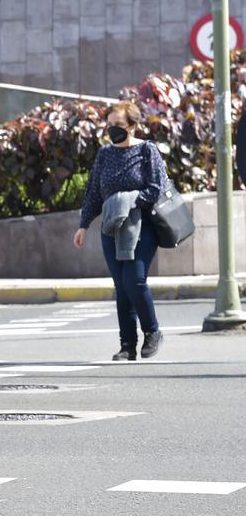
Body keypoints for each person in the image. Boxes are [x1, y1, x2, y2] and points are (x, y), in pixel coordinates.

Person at [74, 102, 168, 361]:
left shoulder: (147, 151)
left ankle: (153, 331)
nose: (113, 130)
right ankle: (127, 345)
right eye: (110, 125)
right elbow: (94, 191)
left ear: (133, 126)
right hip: (111, 227)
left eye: (119, 125)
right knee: (121, 286)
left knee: (134, 280)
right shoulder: (105, 154)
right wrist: (84, 225)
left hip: (141, 225)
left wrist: (128, 200)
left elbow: (156, 188)